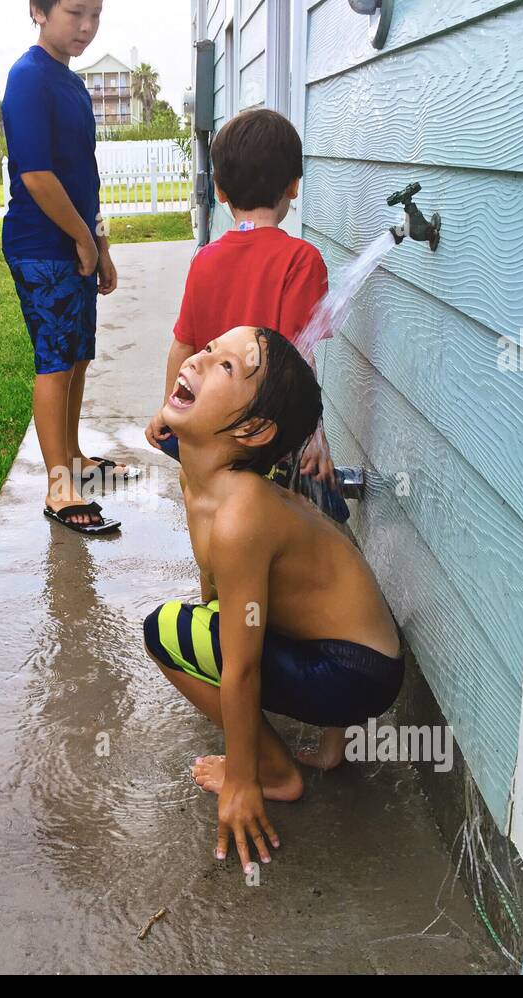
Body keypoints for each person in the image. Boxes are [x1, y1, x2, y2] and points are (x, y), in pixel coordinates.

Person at [143, 326, 404, 872]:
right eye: (211, 348)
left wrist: (241, 778)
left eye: (228, 368)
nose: (201, 358)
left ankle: (277, 773)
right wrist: (172, 422)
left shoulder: (240, 514)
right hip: (358, 650)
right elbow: (229, 593)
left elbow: (239, 670)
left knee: (168, 630)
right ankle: (331, 747)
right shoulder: (207, 472)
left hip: (354, 671)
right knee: (220, 618)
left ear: (254, 428)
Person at [144, 107, 336, 488]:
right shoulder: (301, 260)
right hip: (264, 435)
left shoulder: (206, 260)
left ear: (219, 190)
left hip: (211, 429)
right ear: (294, 186)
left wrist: (171, 408)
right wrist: (315, 436)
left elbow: (183, 345)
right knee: (262, 521)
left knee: (210, 511)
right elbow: (299, 361)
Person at [2, 0, 131, 536]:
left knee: (76, 356)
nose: (86, 27)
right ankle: (59, 487)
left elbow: (84, 176)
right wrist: (81, 239)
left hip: (77, 245)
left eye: (95, 15)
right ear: (37, 10)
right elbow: (36, 175)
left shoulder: (73, 84)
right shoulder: (28, 78)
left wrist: (100, 241)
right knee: (54, 362)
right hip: (40, 246)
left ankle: (74, 460)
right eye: (75, 13)